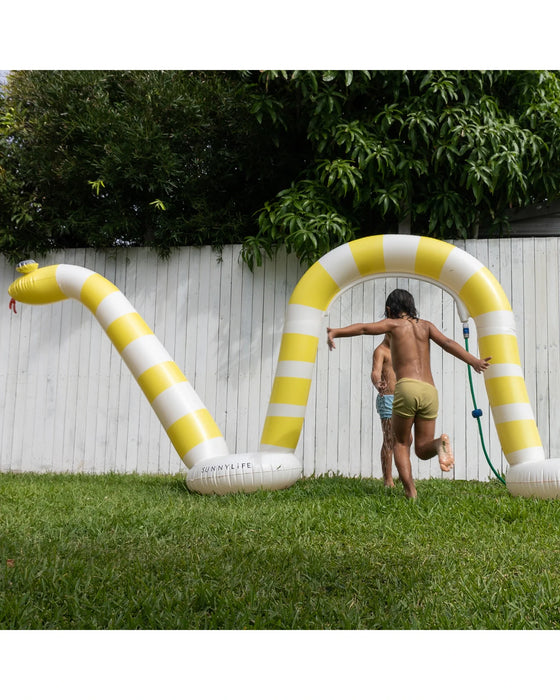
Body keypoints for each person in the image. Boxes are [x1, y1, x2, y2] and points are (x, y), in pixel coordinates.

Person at [327, 289, 491, 499]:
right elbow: (449, 344)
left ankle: (410, 492)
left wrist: (336, 332)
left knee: (401, 443)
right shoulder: (426, 326)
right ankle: (439, 442)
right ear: (411, 306)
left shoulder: (393, 325)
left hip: (406, 388)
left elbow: (364, 328)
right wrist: (474, 361)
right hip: (429, 391)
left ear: (389, 309)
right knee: (423, 449)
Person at [371, 335, 396, 488]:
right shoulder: (381, 351)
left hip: (403, 398)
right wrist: (377, 382)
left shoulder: (402, 350)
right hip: (387, 398)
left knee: (406, 439)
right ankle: (388, 480)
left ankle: (403, 474)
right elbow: (375, 371)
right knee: (389, 439)